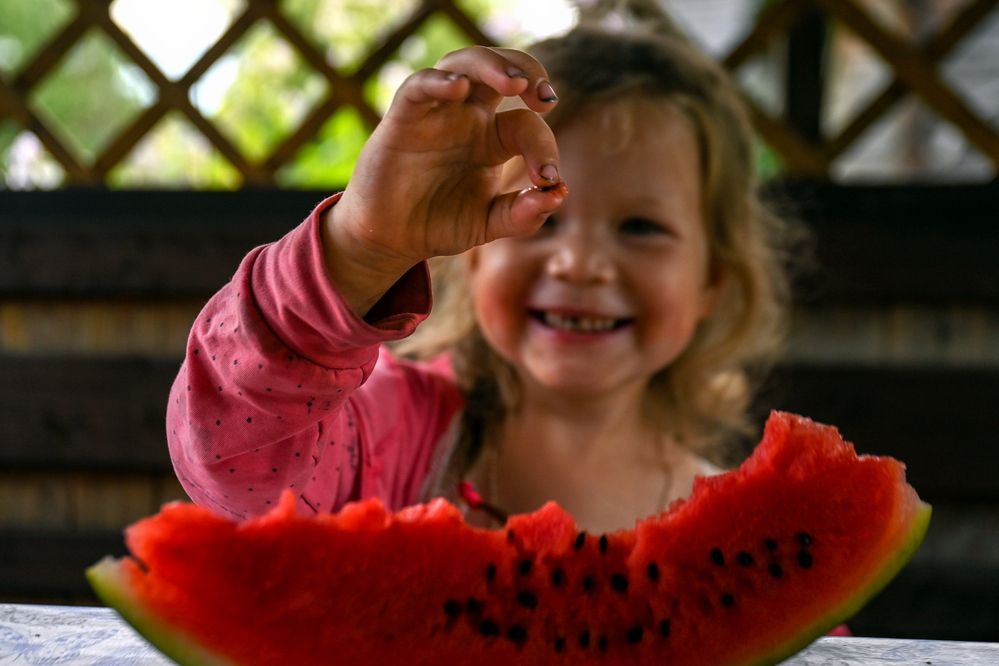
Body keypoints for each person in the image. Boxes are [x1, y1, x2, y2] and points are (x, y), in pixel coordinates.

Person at [166, 1, 794, 535]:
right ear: (472, 253)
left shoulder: (752, 529)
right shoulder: (392, 433)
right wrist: (363, 247)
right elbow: (234, 458)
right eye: (540, 211)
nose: (579, 264)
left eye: (641, 228)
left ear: (714, 278)